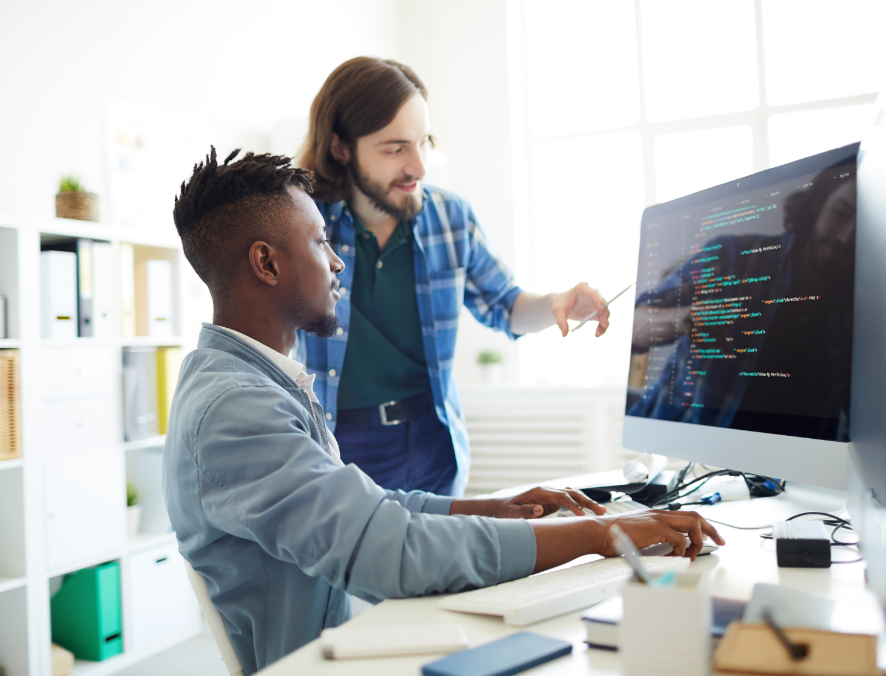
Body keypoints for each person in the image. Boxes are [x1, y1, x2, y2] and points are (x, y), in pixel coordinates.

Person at [163, 148, 724, 674]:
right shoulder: (235, 407)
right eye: (318, 242)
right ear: (266, 263)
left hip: (348, 633)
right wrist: (605, 534)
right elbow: (389, 550)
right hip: (327, 662)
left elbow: (372, 510)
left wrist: (496, 508)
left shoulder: (252, 378)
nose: (337, 262)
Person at [296, 57, 613, 496]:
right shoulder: (303, 224)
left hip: (431, 444)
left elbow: (505, 304)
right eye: (395, 149)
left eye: (423, 142)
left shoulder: (450, 217)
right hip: (337, 444)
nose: (419, 166)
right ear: (340, 148)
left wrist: (556, 302)